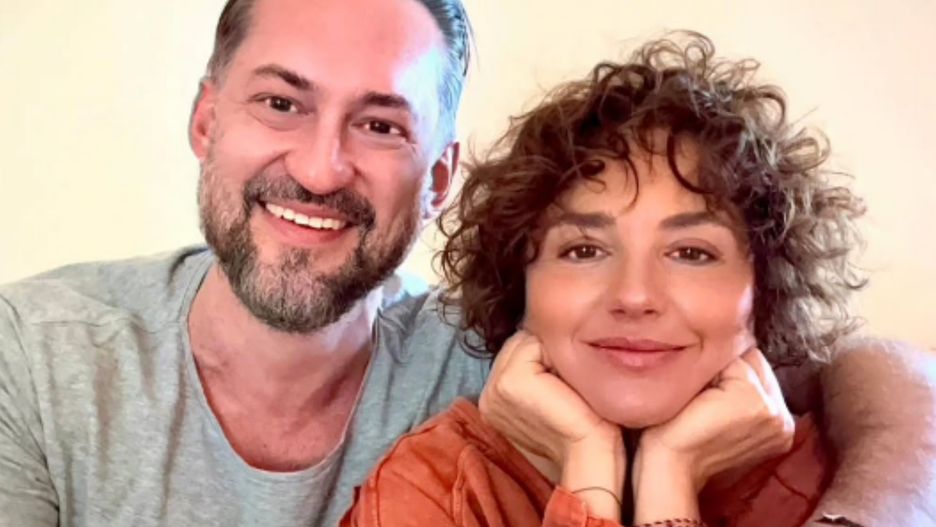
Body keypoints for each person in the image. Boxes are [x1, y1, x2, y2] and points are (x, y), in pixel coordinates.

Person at [0, 1, 932, 526]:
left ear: (441, 177)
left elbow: (883, 371)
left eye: (380, 124)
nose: (320, 168)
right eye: (281, 103)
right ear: (206, 120)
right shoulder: (33, 360)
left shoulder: (506, 352)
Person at [341, 34, 929, 527]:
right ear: (520, 286)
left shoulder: (854, 482)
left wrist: (671, 475)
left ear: (763, 293)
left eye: (692, 253)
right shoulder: (437, 489)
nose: (634, 295)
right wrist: (589, 467)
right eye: (584, 250)